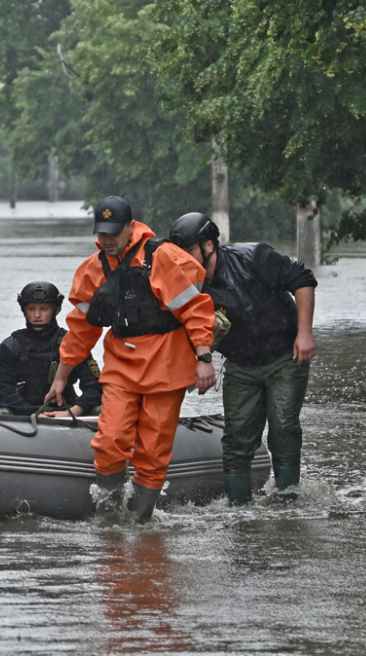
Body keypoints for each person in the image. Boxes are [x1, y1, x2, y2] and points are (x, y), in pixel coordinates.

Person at [44, 196, 216, 523]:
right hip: (122, 365)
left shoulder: (161, 257)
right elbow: (80, 329)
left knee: (152, 455)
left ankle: (139, 525)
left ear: (130, 227)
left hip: (166, 367)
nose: (107, 240)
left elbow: (196, 310)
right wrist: (62, 375)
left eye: (114, 232)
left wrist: (204, 357)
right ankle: (109, 521)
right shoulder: (94, 269)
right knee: (109, 441)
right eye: (102, 233)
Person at [168, 212, 317, 505]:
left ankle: (289, 502)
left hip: (284, 355)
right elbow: (182, 332)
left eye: (187, 252)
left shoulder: (252, 257)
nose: (181, 260)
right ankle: (238, 509)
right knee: (236, 439)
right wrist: (198, 364)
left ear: (208, 246)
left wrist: (305, 333)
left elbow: (303, 280)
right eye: (177, 254)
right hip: (240, 364)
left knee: (283, 426)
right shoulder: (185, 286)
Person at [0, 281, 102, 417]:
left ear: (57, 309)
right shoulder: (11, 346)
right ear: (24, 310)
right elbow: (2, 391)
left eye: (44, 309)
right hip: (24, 414)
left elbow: (94, 387)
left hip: (66, 413)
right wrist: (33, 413)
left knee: (100, 410)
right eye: (32, 308)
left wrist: (73, 412)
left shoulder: (73, 344)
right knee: (1, 413)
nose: (37, 315)